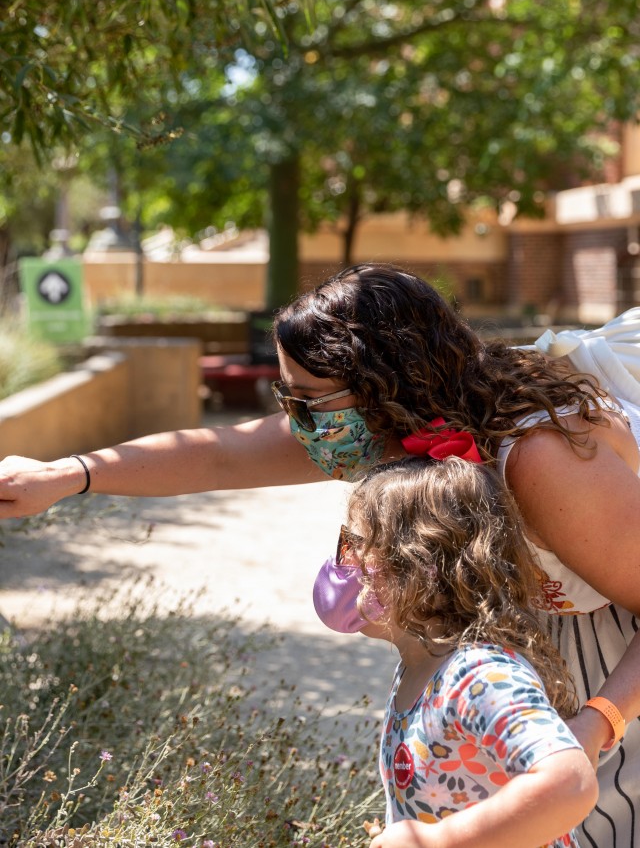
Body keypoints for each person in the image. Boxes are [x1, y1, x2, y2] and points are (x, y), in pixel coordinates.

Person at [0, 262, 639, 846]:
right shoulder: (387, 425)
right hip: (538, 654)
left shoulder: (540, 458)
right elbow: (217, 454)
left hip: (617, 668)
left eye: (307, 400)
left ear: (385, 384)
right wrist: (65, 476)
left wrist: (594, 726)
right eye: (287, 399)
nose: (295, 420)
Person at [313, 455, 598, 848]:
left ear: (417, 565)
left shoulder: (480, 675)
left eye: (352, 545)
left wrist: (437, 841)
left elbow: (570, 782)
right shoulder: (421, 665)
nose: (340, 564)